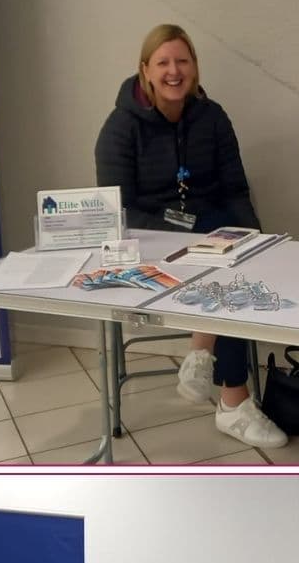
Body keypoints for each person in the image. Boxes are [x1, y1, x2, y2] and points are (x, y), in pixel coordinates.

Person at [94, 25, 286, 451]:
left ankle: (204, 355)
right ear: (145, 70)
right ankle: (231, 397)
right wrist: (185, 237)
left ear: (195, 67)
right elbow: (117, 211)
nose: (174, 71)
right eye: (163, 62)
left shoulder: (212, 117)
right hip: (149, 238)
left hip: (210, 232)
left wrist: (252, 238)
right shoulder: (121, 127)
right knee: (219, 264)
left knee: (236, 260)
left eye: (182, 61)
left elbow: (235, 188)